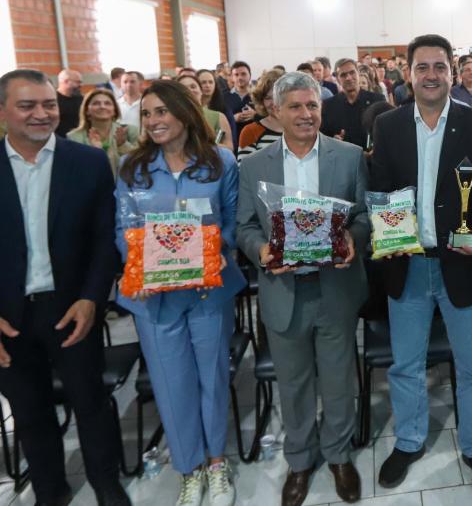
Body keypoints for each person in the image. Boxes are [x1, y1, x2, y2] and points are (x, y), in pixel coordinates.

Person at [369, 33, 472, 498]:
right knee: (406, 365)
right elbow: (381, 189)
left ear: (452, 71)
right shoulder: (387, 125)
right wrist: (386, 233)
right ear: (408, 74)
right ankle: (409, 441)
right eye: (422, 67)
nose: (431, 75)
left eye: (440, 67)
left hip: (462, 263)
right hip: (408, 264)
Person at [0, 69, 130, 506]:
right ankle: (50, 491)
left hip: (72, 306)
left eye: (49, 104)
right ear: (2, 112)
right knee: (29, 410)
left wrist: (92, 298)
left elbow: (105, 239)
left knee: (90, 401)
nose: (41, 114)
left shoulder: (87, 163)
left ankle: (106, 483)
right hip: (8, 314)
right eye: (27, 106)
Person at [236, 71, 367, 505]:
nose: (305, 114)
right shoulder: (253, 165)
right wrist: (261, 251)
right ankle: (299, 460)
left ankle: (339, 456)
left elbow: (364, 216)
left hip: (335, 288)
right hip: (283, 289)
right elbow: (244, 226)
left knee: (338, 379)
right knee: (293, 384)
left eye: (312, 105)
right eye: (295, 106)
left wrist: (354, 238)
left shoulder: (349, 157)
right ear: (276, 111)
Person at [115, 80, 244, 506]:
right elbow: (123, 226)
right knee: (172, 385)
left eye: (161, 111)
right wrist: (140, 263)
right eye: (146, 114)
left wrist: (221, 248)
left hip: (208, 290)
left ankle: (216, 462)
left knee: (212, 377)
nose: (153, 121)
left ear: (185, 113)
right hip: (155, 298)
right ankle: (189, 468)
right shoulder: (132, 167)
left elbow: (231, 219)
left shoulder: (220, 161)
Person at [67, 88, 139, 176]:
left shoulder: (130, 131)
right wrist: (96, 152)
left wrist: (123, 145)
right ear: (87, 110)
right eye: (96, 103)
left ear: (115, 110)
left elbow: (140, 163)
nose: (102, 106)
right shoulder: (74, 138)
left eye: (107, 103)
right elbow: (76, 170)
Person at [321, 58, 385, 150]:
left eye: (352, 73)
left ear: (358, 74)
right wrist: (332, 140)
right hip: (342, 156)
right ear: (337, 79)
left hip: (373, 157)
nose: (349, 78)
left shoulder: (377, 100)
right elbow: (323, 138)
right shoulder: (329, 106)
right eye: (343, 75)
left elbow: (386, 132)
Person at [177, 73, 233, 151]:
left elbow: (229, 148)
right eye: (184, 88)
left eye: (193, 86)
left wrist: (208, 145)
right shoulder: (172, 117)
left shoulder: (218, 116)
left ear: (201, 91)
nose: (189, 90)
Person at [237, 69, 284, 161]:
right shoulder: (250, 131)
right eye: (268, 98)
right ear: (261, 101)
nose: (274, 102)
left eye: (278, 96)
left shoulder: (299, 129)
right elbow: (245, 168)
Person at [198, 69, 238, 140]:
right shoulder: (193, 108)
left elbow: (231, 135)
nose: (207, 85)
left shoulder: (223, 109)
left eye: (211, 82)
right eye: (203, 82)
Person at [224, 61, 255, 141]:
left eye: (243, 74)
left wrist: (255, 115)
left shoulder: (258, 96)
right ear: (232, 77)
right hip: (233, 141)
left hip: (255, 141)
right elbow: (219, 120)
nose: (240, 77)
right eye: (236, 75)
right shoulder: (223, 97)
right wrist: (232, 118)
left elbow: (268, 117)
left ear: (250, 75)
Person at [55, 68, 84, 138]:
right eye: (78, 82)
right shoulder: (53, 100)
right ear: (66, 81)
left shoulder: (81, 99)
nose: (81, 85)